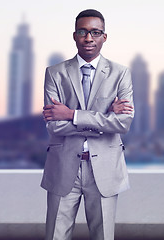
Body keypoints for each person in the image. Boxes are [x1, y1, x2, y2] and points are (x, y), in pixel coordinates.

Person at [41, 9, 134, 240]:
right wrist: (104, 120)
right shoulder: (54, 73)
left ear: (104, 36)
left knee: (103, 236)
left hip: (104, 170)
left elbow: (122, 124)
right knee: (55, 236)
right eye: (83, 32)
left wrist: (71, 114)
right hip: (63, 168)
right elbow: (54, 126)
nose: (88, 38)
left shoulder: (120, 74)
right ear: (74, 35)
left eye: (95, 32)